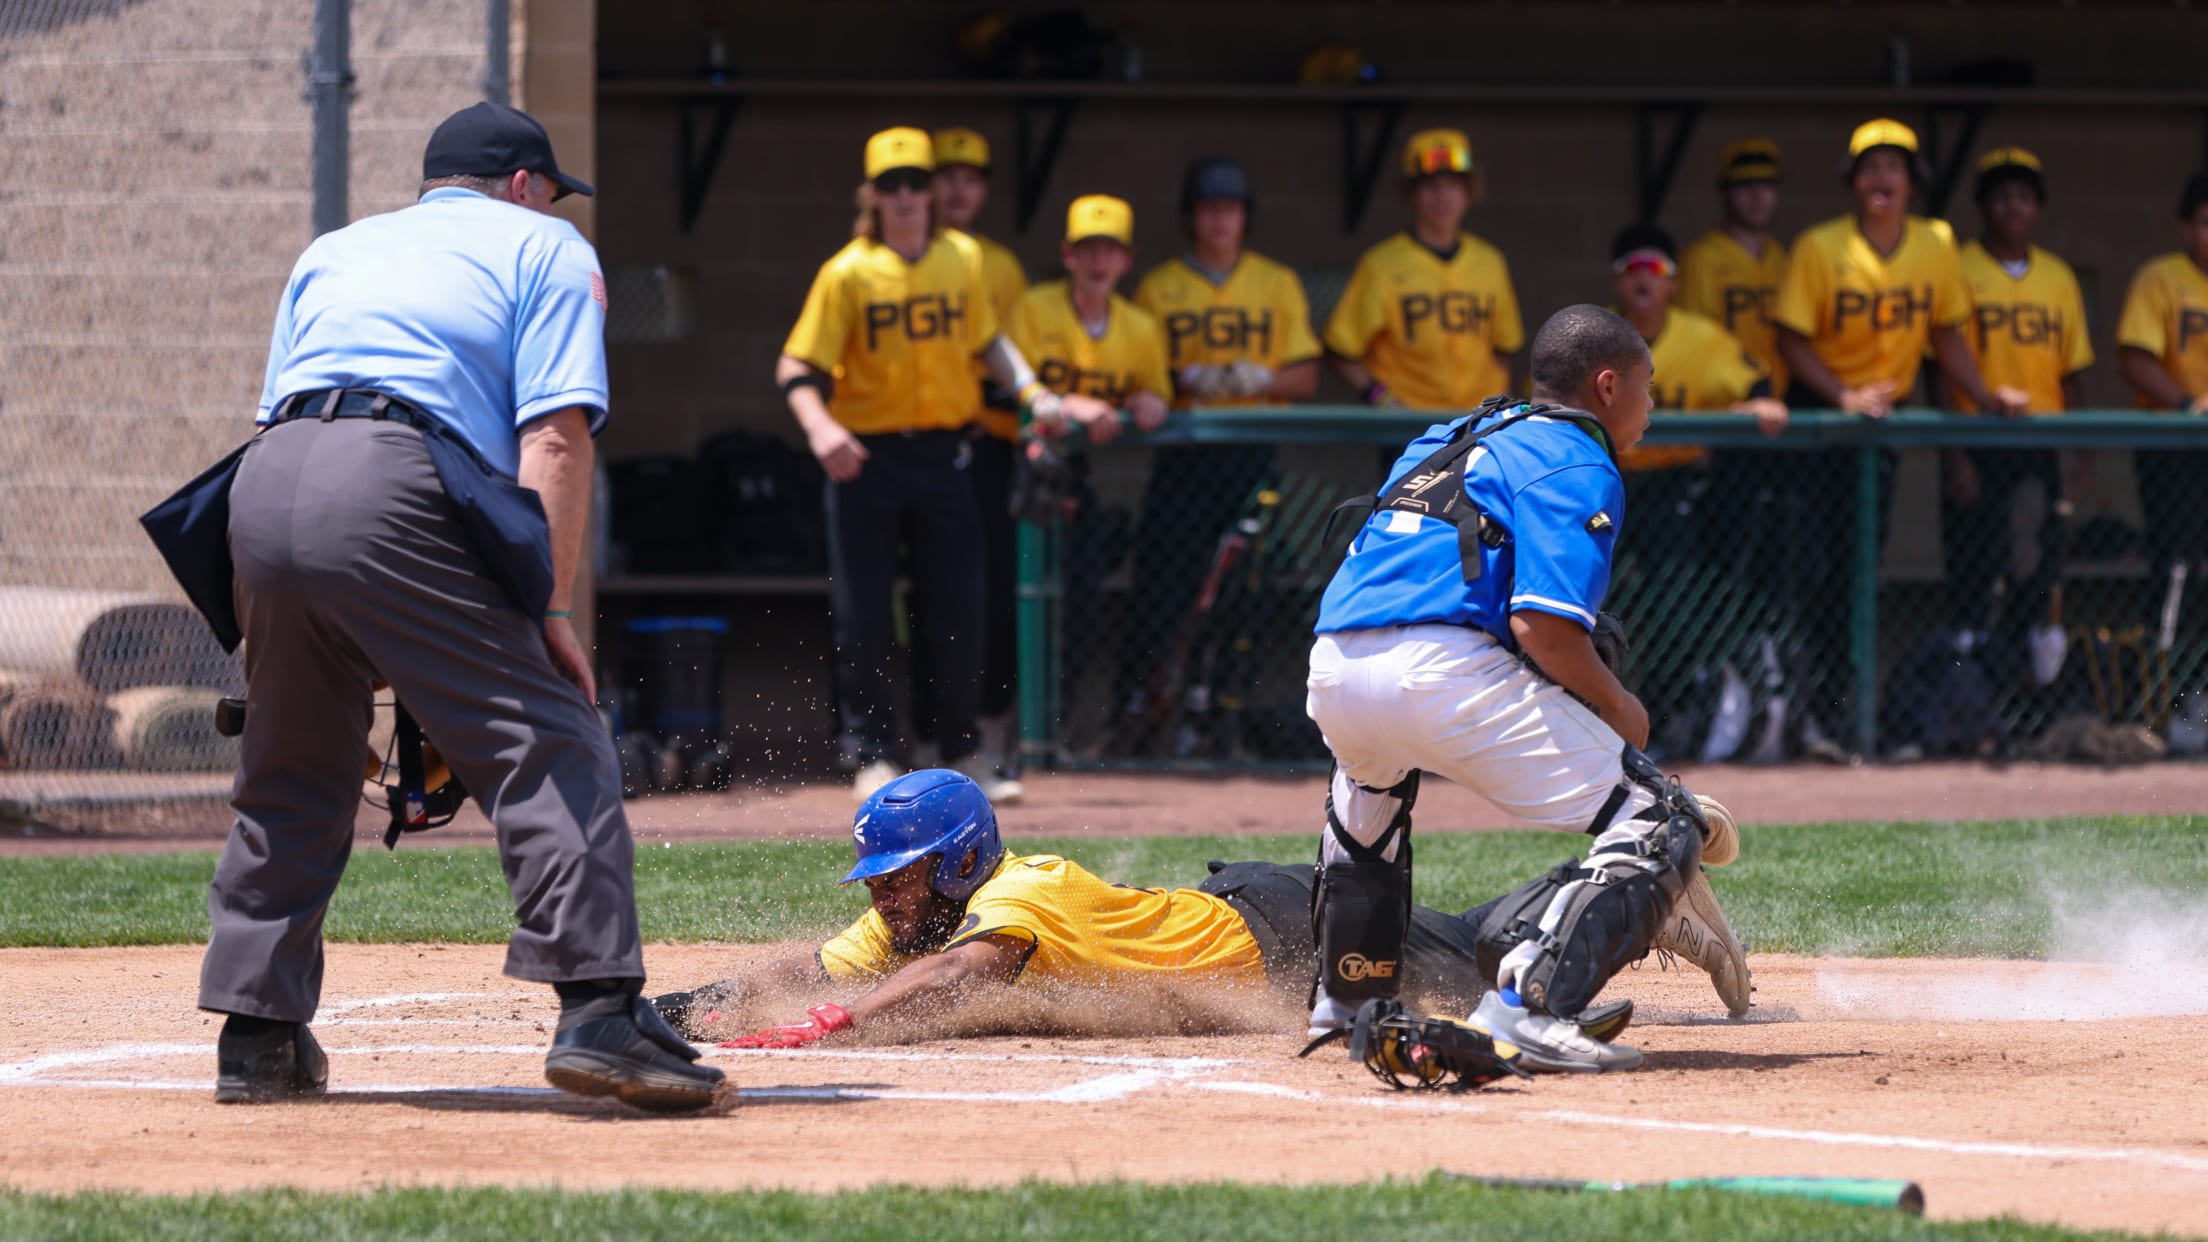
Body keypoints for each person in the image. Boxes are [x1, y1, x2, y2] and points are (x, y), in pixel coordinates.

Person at [198, 102, 722, 1111]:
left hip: (263, 489)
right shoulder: (546, 245)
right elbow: (555, 440)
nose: (554, 206)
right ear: (523, 185)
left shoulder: (335, 249)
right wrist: (548, 614)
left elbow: (285, 420)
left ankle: (256, 1035)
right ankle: (600, 1011)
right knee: (553, 736)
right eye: (550, 191)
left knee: (293, 759)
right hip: (395, 482)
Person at [1301, 305, 1750, 1075]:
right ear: (1606, 387)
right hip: (1442, 670)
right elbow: (1541, 625)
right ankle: (1529, 1008)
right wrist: (1617, 706)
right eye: (1647, 388)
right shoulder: (1577, 455)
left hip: (1334, 662)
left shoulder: (1449, 435)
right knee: (1663, 818)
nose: (1651, 406)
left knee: (1369, 804)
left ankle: (1345, 1003)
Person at [652, 770, 1637, 1050]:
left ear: (956, 863)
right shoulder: (916, 914)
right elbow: (811, 968)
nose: (882, 892)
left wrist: (836, 1024)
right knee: (1468, 945)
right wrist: (692, 1008)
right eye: (877, 879)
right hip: (1246, 916)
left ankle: (1627, 872)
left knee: (1479, 955)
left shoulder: (1019, 891)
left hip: (1279, 929)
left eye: (898, 875)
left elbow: (960, 975)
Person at [779, 128, 1110, 802]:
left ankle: (959, 747)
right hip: (865, 456)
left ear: (931, 193)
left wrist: (1034, 393)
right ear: (873, 195)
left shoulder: (962, 257)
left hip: (944, 452)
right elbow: (796, 366)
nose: (904, 196)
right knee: (864, 612)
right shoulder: (848, 271)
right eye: (891, 185)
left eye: (915, 183)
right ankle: (871, 752)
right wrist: (820, 427)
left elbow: (988, 342)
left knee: (958, 607)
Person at [1772, 118, 2029, 751]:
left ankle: (1843, 714)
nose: (1882, 176)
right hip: (1821, 418)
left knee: (1859, 573)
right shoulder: (1820, 245)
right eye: (1870, 166)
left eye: (1895, 166)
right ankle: (1803, 712)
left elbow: (1945, 332)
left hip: (1881, 425)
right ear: (1853, 181)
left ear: (1914, 181)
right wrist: (1843, 395)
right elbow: (1790, 340)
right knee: (1811, 571)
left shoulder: (1936, 242)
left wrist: (1985, 393)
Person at [1112, 158, 1322, 749]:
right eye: (1209, 210)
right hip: (1184, 456)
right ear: (1190, 217)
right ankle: (1142, 719)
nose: (1220, 221)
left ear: (1245, 217)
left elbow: (1307, 376)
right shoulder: (1159, 287)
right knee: (1165, 590)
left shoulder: (1275, 282)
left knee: (1246, 596)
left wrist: (1262, 378)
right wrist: (1183, 378)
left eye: (1230, 209)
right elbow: (1136, 373)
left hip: (1251, 456)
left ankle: (1223, 721)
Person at [1608, 223, 1788, 756]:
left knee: (1674, 605)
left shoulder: (1702, 336)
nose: (1643, 278)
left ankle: (1669, 720)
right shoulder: (1599, 337)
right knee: (1590, 600)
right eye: (1632, 268)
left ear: (1674, 283)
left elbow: (1754, 382)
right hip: (1606, 483)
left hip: (1672, 487)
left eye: (1655, 268)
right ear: (1617, 281)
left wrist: (1759, 401)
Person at [1003, 194, 1172, 716]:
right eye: (1088, 249)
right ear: (1068, 256)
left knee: (1080, 602)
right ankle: (1000, 724)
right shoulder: (1033, 308)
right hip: (1019, 470)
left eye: (1109, 250)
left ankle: (1055, 726)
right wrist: (1070, 403)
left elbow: (1157, 392)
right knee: (1010, 603)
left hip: (1078, 477)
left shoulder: (1140, 327)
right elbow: (1008, 386)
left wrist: (1149, 400)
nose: (1098, 261)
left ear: (1126, 260)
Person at [1950, 148, 2093, 650]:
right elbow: (1939, 368)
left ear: (2038, 207)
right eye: (2002, 197)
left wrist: (2083, 450)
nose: (2013, 207)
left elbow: (2070, 371)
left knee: (2035, 567)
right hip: (1977, 437)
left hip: (2038, 440)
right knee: (1977, 566)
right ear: (1982, 205)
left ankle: (2025, 679)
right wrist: (1954, 455)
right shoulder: (1957, 267)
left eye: (2025, 197)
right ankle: (1972, 678)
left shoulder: (2058, 276)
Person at [1325, 129, 1526, 414]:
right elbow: (1340, 351)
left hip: (1479, 420)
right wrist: (1383, 401)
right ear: (1412, 194)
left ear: (1468, 191)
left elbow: (1504, 350)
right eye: (1431, 186)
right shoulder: (1381, 263)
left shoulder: (1490, 262)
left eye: (1453, 185)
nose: (1443, 197)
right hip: (1410, 425)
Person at [2115, 171, 2208, 614]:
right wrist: (2189, 405)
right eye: (2206, 222)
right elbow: (2136, 361)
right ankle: (2173, 655)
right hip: (2176, 447)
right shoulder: (2160, 278)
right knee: (2178, 563)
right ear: (2186, 228)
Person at [1678, 140, 1791, 398]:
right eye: (1744, 185)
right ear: (1724, 192)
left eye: (1767, 184)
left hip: (1777, 399)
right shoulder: (1701, 258)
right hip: (1724, 400)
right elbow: (1694, 343)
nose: (1757, 196)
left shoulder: (1780, 257)